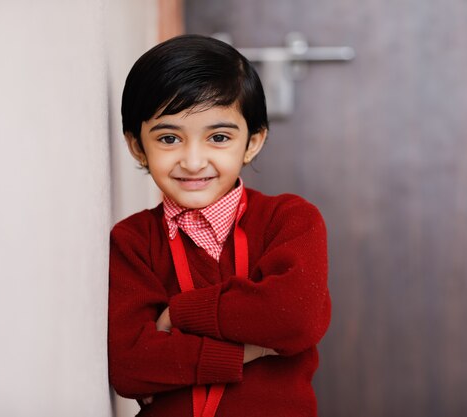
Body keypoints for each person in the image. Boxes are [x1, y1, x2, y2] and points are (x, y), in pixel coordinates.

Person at [108, 34, 331, 417]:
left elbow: (294, 318)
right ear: (136, 146)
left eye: (219, 137)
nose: (194, 161)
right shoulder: (133, 241)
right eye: (168, 138)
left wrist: (179, 314)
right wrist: (250, 351)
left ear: (253, 142)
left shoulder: (289, 219)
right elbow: (131, 365)